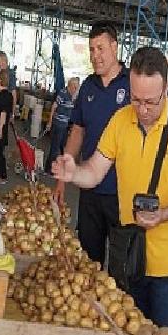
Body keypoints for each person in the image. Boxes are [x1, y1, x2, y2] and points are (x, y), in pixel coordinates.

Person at [53, 47, 168, 335]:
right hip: (129, 258)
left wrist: (163, 214)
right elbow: (96, 171)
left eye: (151, 101)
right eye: (136, 99)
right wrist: (74, 173)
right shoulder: (121, 120)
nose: (143, 109)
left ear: (166, 89)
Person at [53, 22, 130, 266]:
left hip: (122, 193)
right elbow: (77, 132)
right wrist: (63, 178)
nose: (95, 56)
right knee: (87, 261)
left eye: (100, 48)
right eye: (91, 50)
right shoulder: (88, 86)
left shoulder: (131, 85)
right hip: (89, 189)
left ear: (115, 47)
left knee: (121, 269)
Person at [44, 77, 80, 174]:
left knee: (63, 147)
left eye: (77, 87)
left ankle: (61, 167)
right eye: (75, 87)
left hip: (65, 125)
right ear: (70, 85)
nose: (76, 89)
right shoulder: (63, 93)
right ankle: (48, 170)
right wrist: (50, 122)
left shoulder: (73, 96)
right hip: (58, 124)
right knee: (55, 148)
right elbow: (54, 107)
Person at [0, 51, 18, 118]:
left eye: (2, 60)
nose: (0, 63)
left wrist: (13, 113)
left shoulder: (11, 73)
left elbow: (14, 94)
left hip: (5, 107)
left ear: (6, 60)